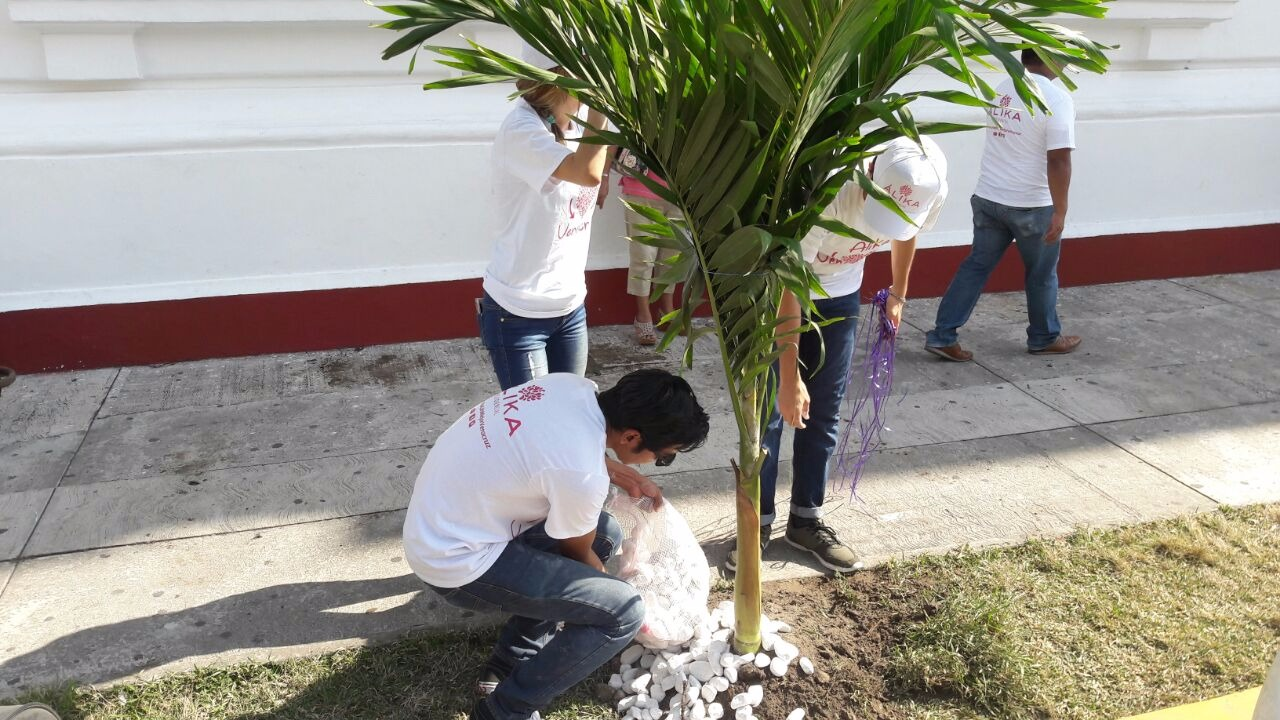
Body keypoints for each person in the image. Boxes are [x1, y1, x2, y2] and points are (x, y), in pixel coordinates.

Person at [402, 369, 710, 720]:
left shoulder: (569, 387)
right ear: (631, 436)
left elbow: (562, 453)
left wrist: (626, 473)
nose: (658, 463)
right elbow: (578, 556)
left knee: (605, 531)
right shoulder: (581, 476)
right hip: (455, 561)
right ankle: (505, 711)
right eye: (664, 456)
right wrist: (623, 597)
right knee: (623, 613)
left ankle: (510, 660)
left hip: (436, 524)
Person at [727, 136, 949, 574]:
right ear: (869, 178)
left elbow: (909, 232)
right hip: (782, 294)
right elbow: (790, 283)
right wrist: (790, 378)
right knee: (770, 416)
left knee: (824, 414)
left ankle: (806, 521)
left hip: (841, 296)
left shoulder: (932, 178)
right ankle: (758, 525)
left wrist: (898, 292)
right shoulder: (830, 189)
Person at [925, 49, 1080, 360]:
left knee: (975, 266)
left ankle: (943, 335)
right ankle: (1044, 337)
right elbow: (1059, 159)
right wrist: (1060, 211)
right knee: (1041, 274)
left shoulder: (1003, 87)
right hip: (1031, 205)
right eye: (1062, 58)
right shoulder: (1057, 98)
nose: (1064, 66)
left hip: (989, 198)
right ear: (1049, 59)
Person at [477, 43, 610, 390]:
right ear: (562, 78)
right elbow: (588, 172)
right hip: (518, 313)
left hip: (570, 306)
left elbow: (598, 166)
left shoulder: (577, 122)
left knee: (566, 416)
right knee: (535, 429)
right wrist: (602, 109)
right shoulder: (521, 130)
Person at [606, 148, 678, 346]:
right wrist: (604, 176)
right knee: (643, 257)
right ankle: (643, 316)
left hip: (679, 191)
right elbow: (614, 140)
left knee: (673, 257)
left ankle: (667, 311)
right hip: (641, 188)